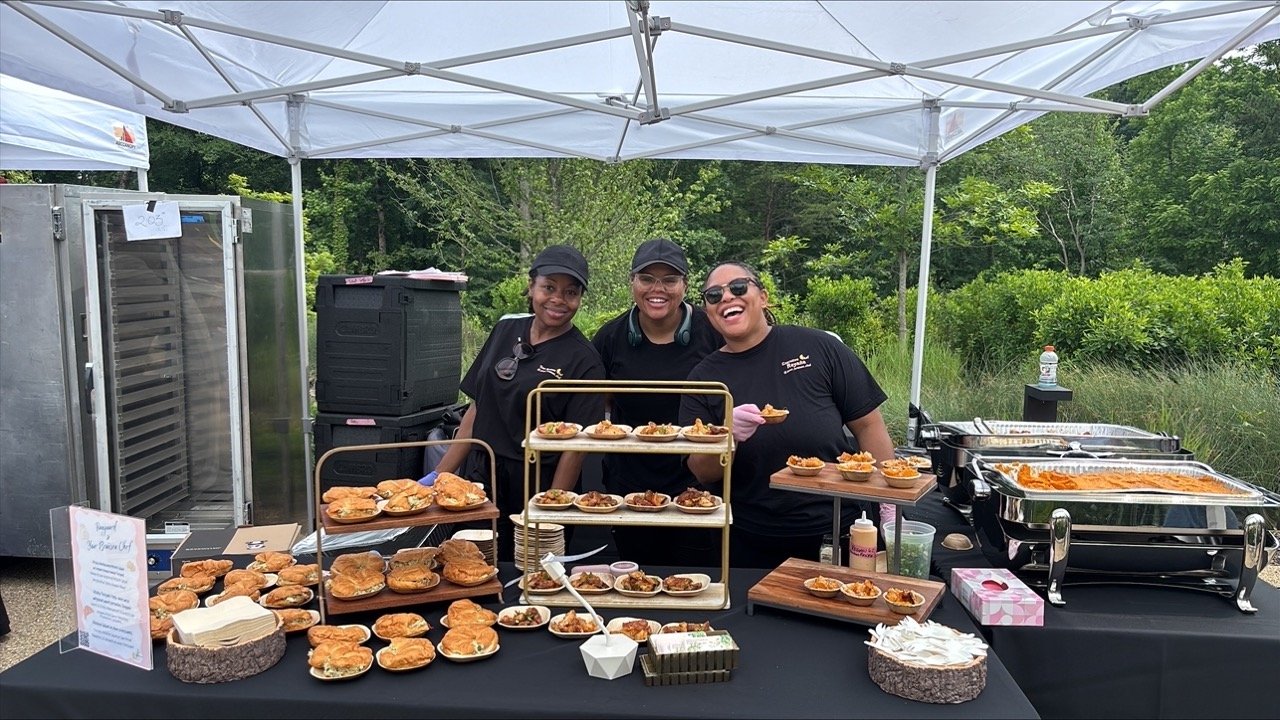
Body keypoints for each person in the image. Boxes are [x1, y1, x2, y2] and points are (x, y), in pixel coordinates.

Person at [679, 261, 897, 569]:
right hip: (748, 539)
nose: (726, 297)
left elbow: (868, 424)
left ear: (764, 297)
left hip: (836, 530)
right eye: (714, 295)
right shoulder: (703, 379)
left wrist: (889, 505)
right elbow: (703, 472)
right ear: (708, 311)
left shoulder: (819, 347)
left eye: (738, 287)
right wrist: (726, 435)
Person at [431, 245, 604, 562]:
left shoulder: (584, 360)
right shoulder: (504, 329)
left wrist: (548, 510)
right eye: (549, 287)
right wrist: (438, 479)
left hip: (537, 484)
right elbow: (477, 408)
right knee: (473, 569)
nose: (558, 300)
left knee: (531, 579)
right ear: (531, 286)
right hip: (481, 481)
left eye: (570, 292)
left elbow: (576, 447)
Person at [591, 239, 724, 567]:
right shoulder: (610, 337)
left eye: (669, 279)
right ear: (632, 281)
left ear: (685, 285)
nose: (657, 289)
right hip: (629, 483)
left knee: (694, 579)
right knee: (639, 579)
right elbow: (599, 402)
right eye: (647, 278)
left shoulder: (713, 332)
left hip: (699, 482)